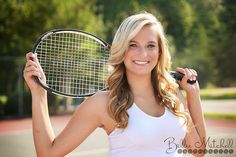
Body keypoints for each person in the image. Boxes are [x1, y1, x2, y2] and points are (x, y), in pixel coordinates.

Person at [24, 12, 206, 157]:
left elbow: (199, 150)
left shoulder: (171, 95)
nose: (143, 54)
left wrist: (194, 96)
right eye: (133, 45)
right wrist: (39, 94)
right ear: (122, 50)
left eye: (150, 45)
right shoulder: (104, 103)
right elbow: (48, 154)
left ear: (159, 52)